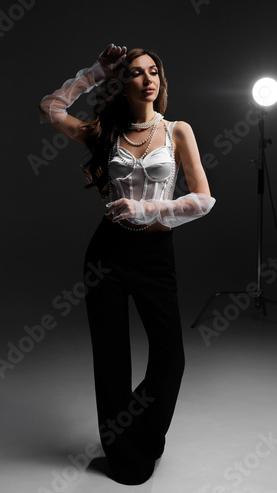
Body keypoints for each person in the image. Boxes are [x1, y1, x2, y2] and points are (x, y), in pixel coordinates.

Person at [39, 43, 216, 485]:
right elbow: (51, 107)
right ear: (124, 82)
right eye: (136, 72)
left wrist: (149, 212)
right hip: (108, 254)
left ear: (161, 79)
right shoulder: (104, 133)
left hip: (155, 256)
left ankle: (141, 433)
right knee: (111, 359)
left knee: (169, 358)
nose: (147, 78)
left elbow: (203, 199)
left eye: (153, 70)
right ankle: (122, 455)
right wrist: (94, 72)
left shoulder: (177, 130)